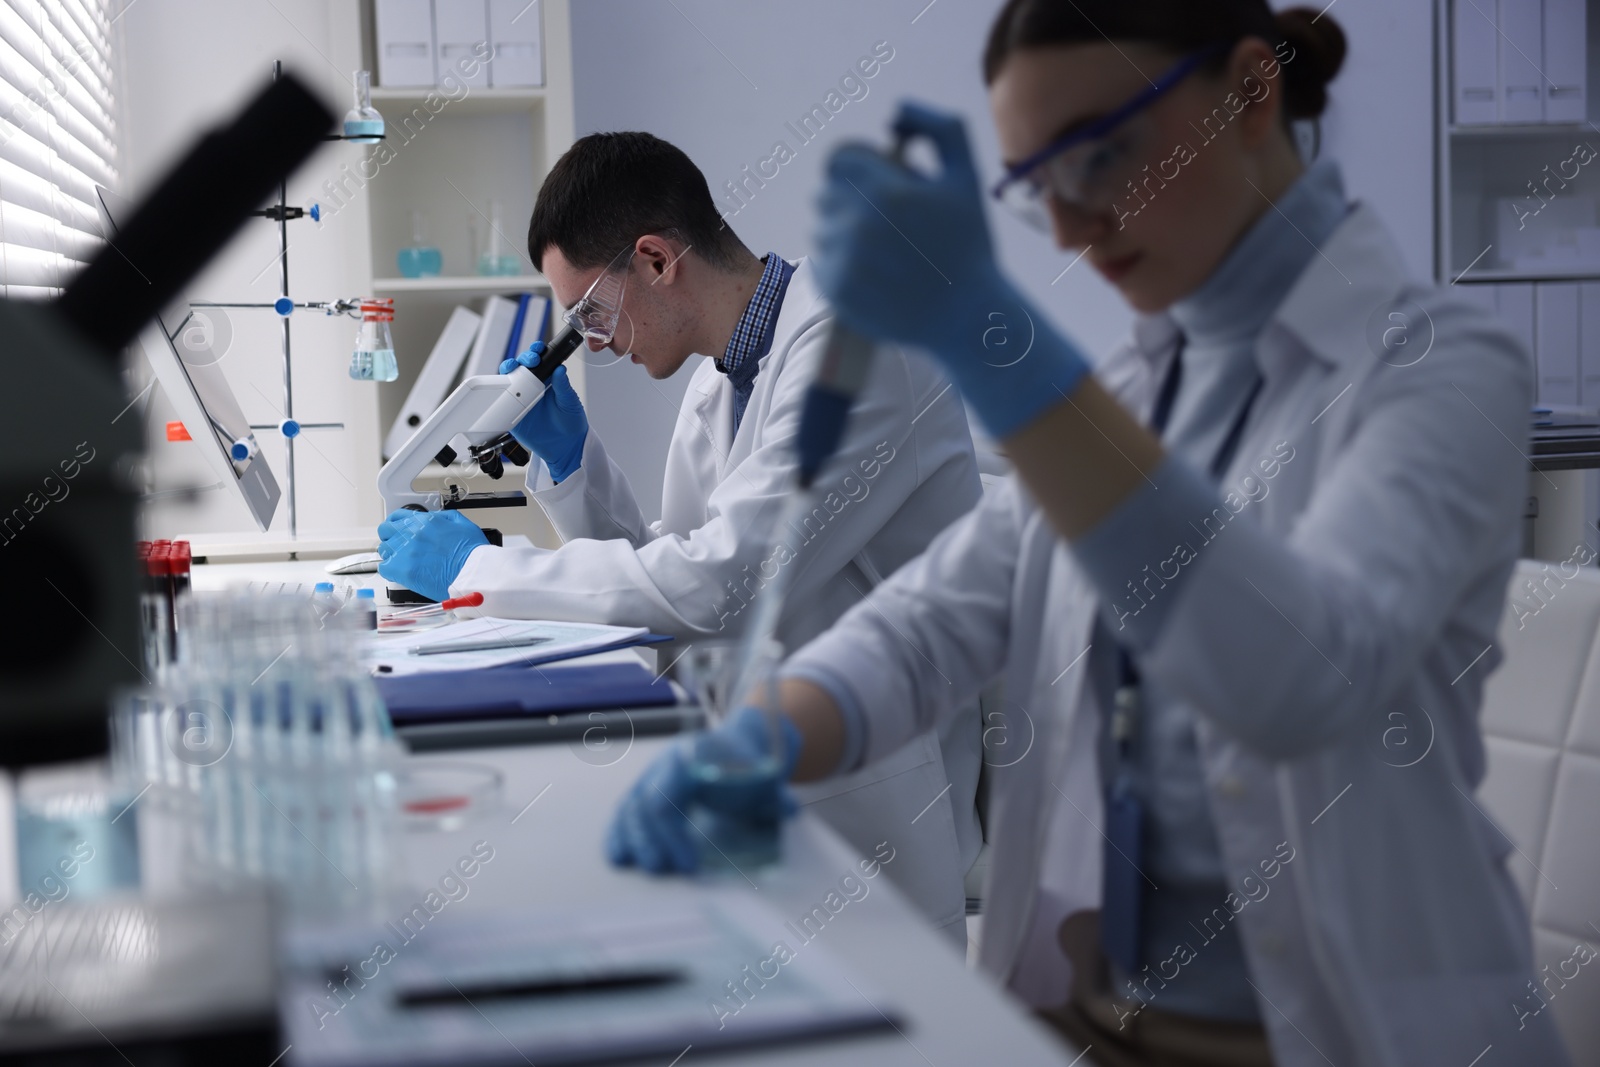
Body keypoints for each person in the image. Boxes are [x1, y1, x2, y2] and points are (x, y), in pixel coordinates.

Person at [604, 3, 1575, 1065]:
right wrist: (763, 736)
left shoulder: (1439, 367)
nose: (1067, 227)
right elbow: (932, 622)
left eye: (1098, 154)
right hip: (1092, 1010)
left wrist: (991, 335)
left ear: (1250, 93)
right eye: (1033, 186)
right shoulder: (1131, 390)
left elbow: (1300, 680)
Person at [377, 132, 984, 939]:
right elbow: (673, 571)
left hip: (872, 800)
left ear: (658, 260)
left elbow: (717, 587)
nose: (590, 339)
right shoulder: (723, 375)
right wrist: (574, 464)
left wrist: (475, 566)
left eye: (589, 309)